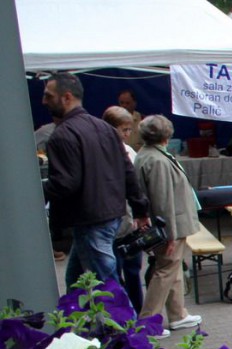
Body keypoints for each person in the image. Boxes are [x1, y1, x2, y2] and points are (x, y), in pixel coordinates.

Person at [43, 72, 149, 287]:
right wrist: (140, 208)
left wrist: (34, 192)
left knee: (108, 286)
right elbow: (127, 171)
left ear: (67, 97)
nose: (44, 101)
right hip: (107, 215)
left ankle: (122, 313)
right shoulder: (104, 128)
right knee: (76, 280)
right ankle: (76, 308)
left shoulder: (63, 135)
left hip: (91, 219)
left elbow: (66, 183)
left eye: (48, 95)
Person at [134, 115, 201, 330]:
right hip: (170, 226)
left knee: (172, 267)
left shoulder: (147, 154)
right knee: (164, 270)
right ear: (167, 135)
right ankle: (148, 321)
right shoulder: (158, 160)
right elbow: (163, 201)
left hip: (169, 223)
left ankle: (178, 313)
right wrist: (170, 234)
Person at [102, 105, 145, 312]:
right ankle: (125, 313)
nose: (127, 134)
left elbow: (137, 187)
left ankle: (137, 310)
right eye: (123, 130)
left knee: (133, 270)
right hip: (116, 221)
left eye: (129, 130)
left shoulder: (129, 151)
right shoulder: (106, 152)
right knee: (115, 271)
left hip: (130, 222)